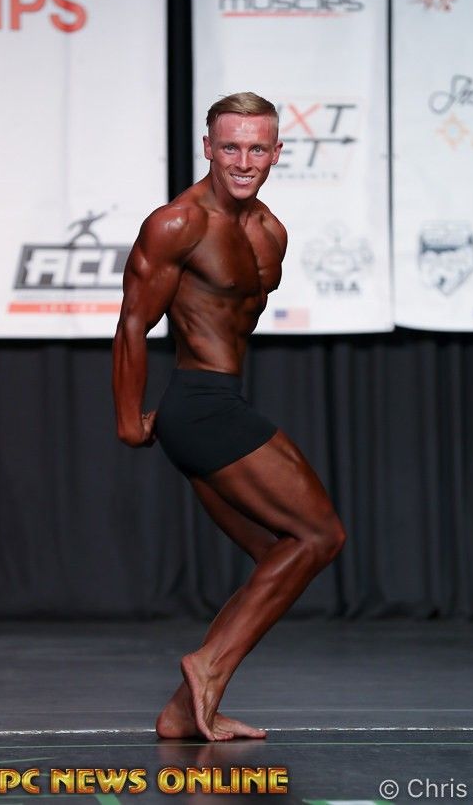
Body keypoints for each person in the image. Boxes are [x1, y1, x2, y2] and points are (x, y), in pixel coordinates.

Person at [112, 92, 346, 742]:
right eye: (231, 147)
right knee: (320, 536)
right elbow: (133, 322)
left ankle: (181, 711)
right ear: (208, 148)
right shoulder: (178, 224)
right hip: (199, 404)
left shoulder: (271, 230)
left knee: (281, 553)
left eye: (257, 148)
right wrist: (129, 418)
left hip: (219, 401)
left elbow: (234, 319)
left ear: (276, 152)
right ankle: (208, 666)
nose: (244, 160)